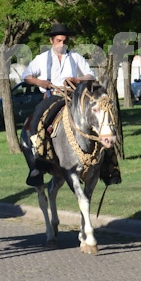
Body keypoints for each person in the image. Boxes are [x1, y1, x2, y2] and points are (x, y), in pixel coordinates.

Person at [20, 22, 105, 187]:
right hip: (52, 97)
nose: (62, 44)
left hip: (74, 98)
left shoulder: (75, 57)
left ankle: (106, 164)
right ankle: (38, 161)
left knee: (100, 121)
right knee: (38, 119)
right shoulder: (42, 59)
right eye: (59, 40)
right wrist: (40, 82)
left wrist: (77, 80)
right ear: (52, 41)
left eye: (65, 41)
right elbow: (26, 76)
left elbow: (91, 75)